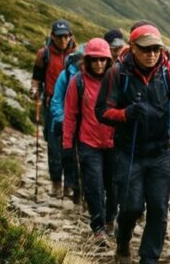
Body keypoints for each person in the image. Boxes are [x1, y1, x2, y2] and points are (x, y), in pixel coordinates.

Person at [96, 22, 170, 264]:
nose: (152, 54)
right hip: (128, 151)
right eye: (146, 49)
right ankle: (123, 237)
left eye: (156, 49)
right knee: (131, 206)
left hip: (160, 151)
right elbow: (102, 113)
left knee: (159, 208)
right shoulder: (118, 74)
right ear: (133, 48)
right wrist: (126, 114)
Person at [63, 38, 117, 246]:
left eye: (103, 60)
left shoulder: (116, 80)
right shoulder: (78, 82)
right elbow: (70, 115)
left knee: (113, 186)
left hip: (113, 143)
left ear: (108, 60)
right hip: (89, 143)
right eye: (94, 60)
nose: (99, 64)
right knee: (94, 185)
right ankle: (98, 227)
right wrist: (68, 144)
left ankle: (111, 217)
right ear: (87, 60)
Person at [31, 19, 77, 198]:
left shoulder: (78, 54)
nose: (63, 40)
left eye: (65, 36)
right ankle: (56, 182)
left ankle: (70, 184)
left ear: (70, 35)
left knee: (72, 147)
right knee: (54, 146)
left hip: (74, 108)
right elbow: (37, 78)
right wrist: (34, 90)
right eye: (59, 36)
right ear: (52, 36)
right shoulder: (43, 54)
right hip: (51, 106)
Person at [51, 48, 85, 202]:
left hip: (86, 125)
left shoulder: (94, 76)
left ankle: (78, 192)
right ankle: (68, 187)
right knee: (67, 156)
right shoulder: (65, 75)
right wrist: (62, 119)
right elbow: (56, 99)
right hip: (67, 122)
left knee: (83, 158)